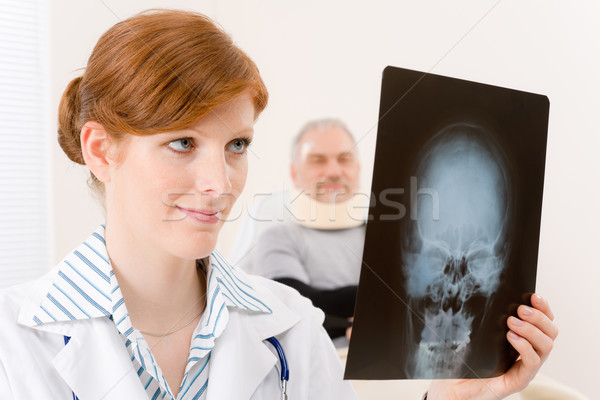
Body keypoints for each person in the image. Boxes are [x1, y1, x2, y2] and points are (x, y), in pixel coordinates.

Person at [0, 9, 558, 400]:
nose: (220, 183)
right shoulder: (14, 343)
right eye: (182, 143)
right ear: (101, 150)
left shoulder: (291, 328)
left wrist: (454, 397)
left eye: (236, 145)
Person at [251, 119, 364, 341]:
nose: (333, 171)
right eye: (317, 160)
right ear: (295, 174)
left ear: (358, 170)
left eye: (344, 159)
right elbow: (295, 304)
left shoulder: (389, 237)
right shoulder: (277, 238)